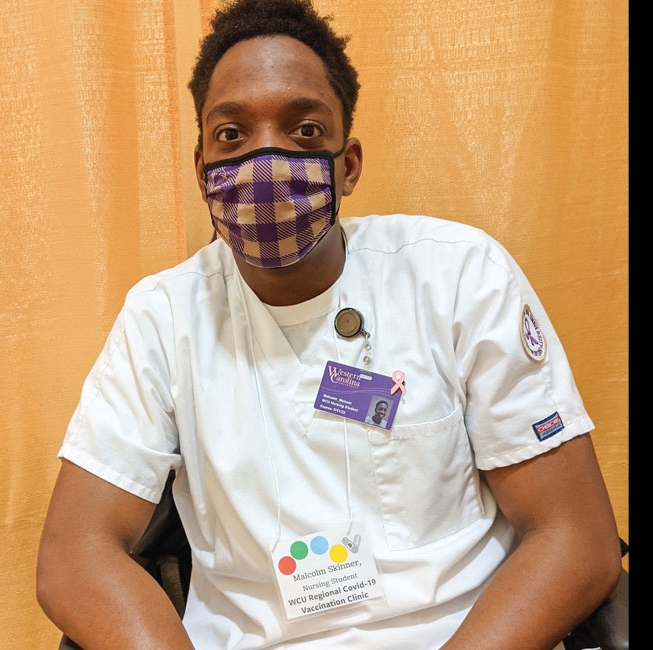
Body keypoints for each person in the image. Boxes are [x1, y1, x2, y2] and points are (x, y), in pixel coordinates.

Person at [36, 1, 623, 648]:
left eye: (305, 130)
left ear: (348, 165)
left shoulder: (458, 277)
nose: (267, 160)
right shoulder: (163, 318)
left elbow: (576, 538)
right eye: (232, 134)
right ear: (204, 172)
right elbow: (74, 556)